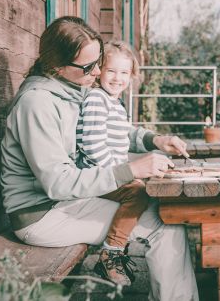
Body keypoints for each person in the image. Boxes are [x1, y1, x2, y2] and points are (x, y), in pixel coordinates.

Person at [0, 16, 198, 300]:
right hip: (43, 215)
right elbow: (58, 183)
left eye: (98, 62)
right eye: (89, 67)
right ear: (57, 65)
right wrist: (129, 170)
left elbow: (111, 126)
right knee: (164, 224)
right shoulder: (37, 104)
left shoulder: (72, 89)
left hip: (64, 202)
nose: (97, 72)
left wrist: (155, 140)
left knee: (162, 212)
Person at [77, 41, 147, 286]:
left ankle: (118, 250)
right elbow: (93, 146)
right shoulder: (97, 98)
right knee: (138, 192)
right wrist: (123, 175)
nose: (118, 78)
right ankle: (111, 252)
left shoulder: (115, 103)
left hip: (109, 174)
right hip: (96, 175)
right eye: (112, 71)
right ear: (100, 71)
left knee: (144, 187)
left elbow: (122, 140)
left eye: (124, 72)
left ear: (132, 75)